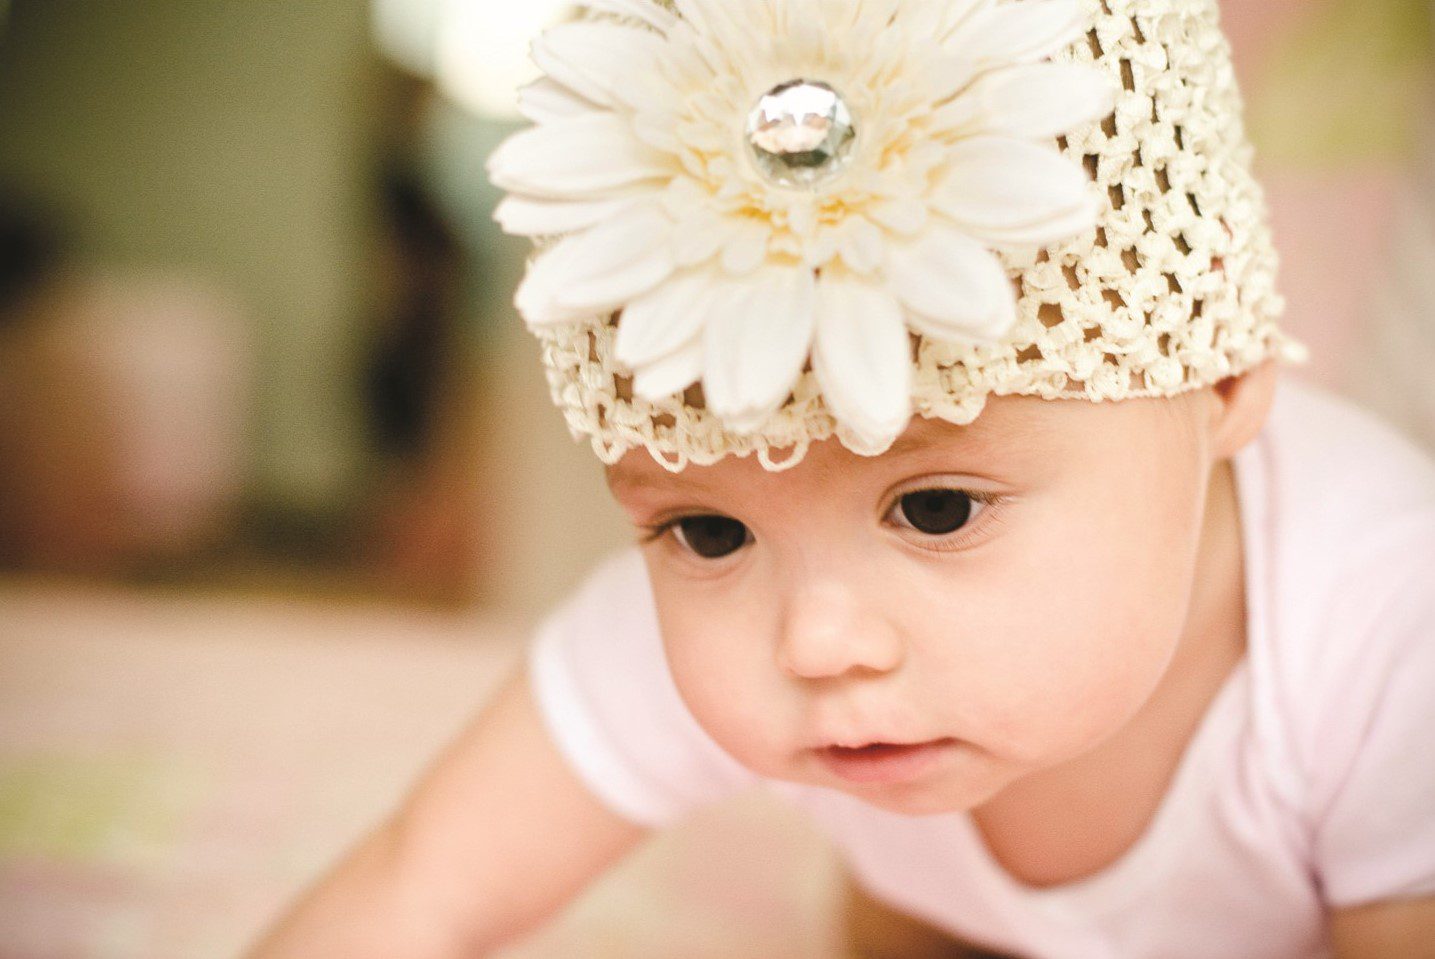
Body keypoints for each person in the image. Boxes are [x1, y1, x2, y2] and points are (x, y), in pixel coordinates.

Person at [244, 0, 1435, 956]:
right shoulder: (752, 613)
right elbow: (423, 887)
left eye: (934, 506)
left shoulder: (1386, 628)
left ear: (1221, 380)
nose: (814, 639)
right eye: (707, 529)